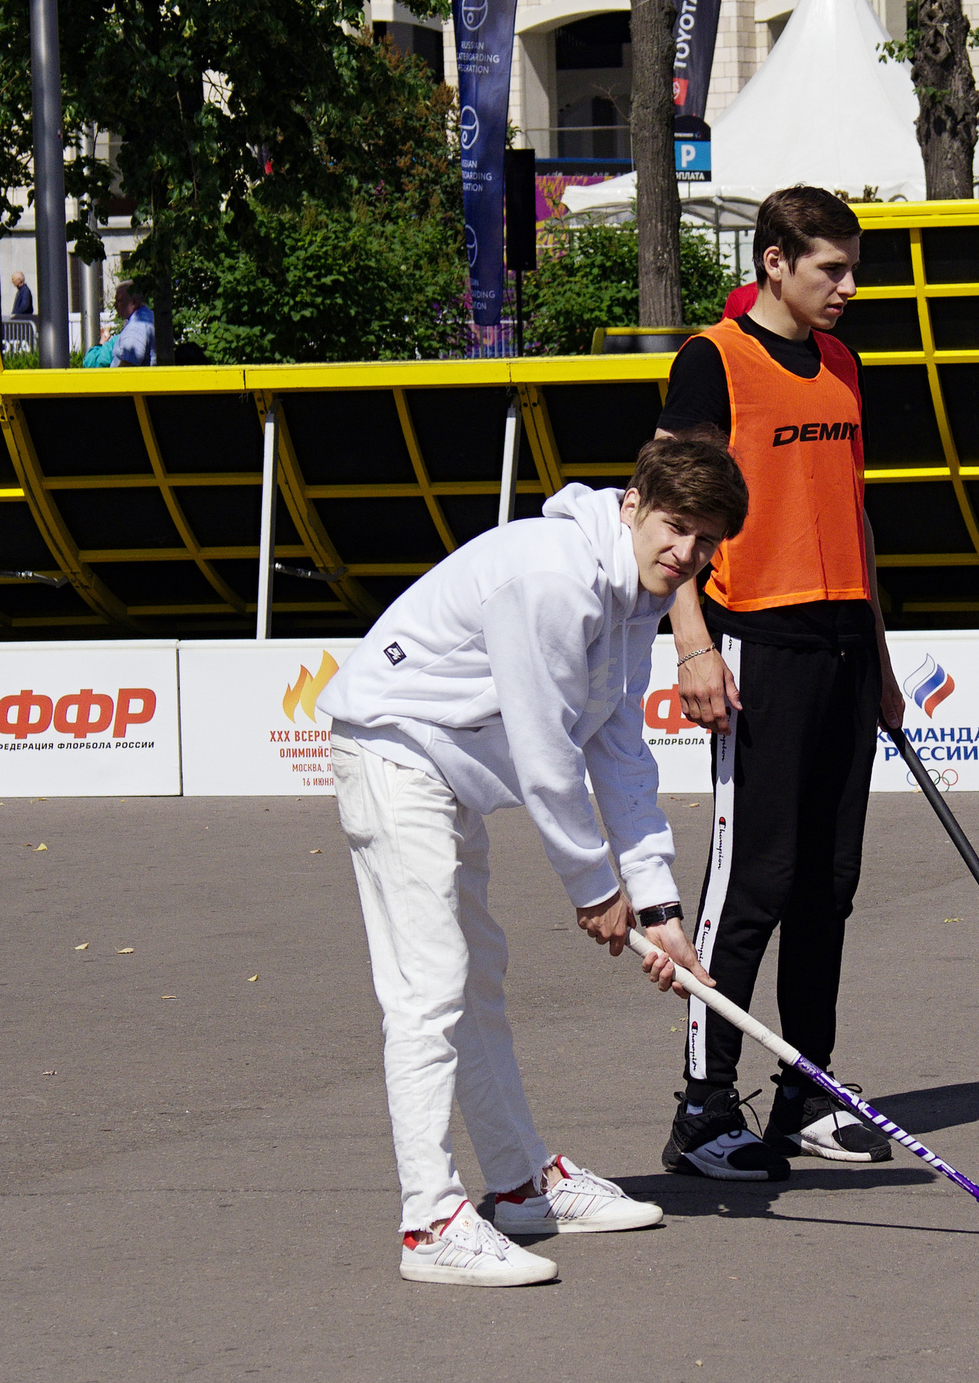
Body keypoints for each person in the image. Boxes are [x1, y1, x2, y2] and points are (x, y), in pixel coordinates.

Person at [318, 434, 743, 1286]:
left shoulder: (638, 595)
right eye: (675, 527)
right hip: (396, 749)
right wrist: (594, 887)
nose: (686, 552)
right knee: (430, 985)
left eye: (705, 541)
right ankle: (428, 1223)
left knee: (476, 978)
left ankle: (519, 1185)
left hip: (444, 765)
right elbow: (547, 750)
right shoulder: (556, 578)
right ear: (633, 504)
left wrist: (660, 911)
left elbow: (619, 750)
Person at [655, 184, 909, 1179]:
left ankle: (806, 1093)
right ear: (774, 261)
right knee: (752, 883)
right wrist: (691, 642)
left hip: (844, 644)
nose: (847, 288)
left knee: (827, 887)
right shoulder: (713, 359)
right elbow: (667, 506)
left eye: (852, 270)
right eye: (830, 269)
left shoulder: (843, 363)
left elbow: (856, 516)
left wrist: (880, 660)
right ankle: (703, 1108)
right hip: (759, 640)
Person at [109, 282, 156, 366]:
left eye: (119, 301)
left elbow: (128, 366)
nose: (115, 305)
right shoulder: (149, 316)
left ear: (133, 302)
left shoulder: (135, 327)